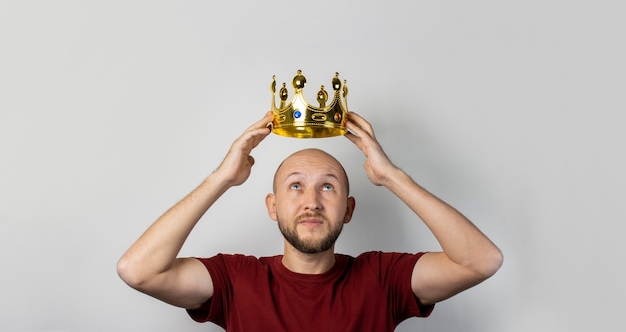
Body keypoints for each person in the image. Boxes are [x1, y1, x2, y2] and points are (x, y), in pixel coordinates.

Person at [117, 111, 503, 331]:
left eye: (328, 188)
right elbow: (137, 270)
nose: (312, 202)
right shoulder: (237, 280)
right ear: (272, 206)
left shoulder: (383, 278)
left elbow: (482, 260)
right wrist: (222, 178)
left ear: (349, 209)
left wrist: (391, 176)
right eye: (296, 186)